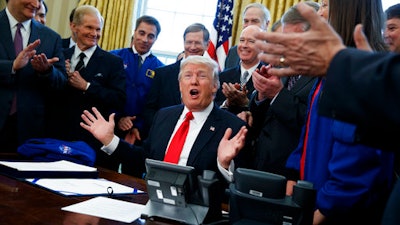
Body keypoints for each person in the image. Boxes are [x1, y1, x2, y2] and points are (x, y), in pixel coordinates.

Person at [260, 1, 393, 224]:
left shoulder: (366, 71)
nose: (319, 12)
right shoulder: (332, 69)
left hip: (340, 213)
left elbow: (362, 159)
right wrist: (293, 174)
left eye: (324, 4)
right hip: (311, 197)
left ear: (348, 11)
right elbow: (309, 130)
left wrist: (325, 210)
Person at [80, 55, 248, 222]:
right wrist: (110, 140)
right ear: (180, 85)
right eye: (188, 75)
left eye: (202, 75)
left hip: (199, 218)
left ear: (214, 86)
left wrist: (224, 165)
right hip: (153, 210)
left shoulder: (231, 126)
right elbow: (143, 159)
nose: (194, 81)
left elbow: (240, 187)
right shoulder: (164, 116)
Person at [240, 3, 318, 179]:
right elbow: (260, 119)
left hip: (293, 174)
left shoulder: (323, 72)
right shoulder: (280, 65)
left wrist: (277, 95)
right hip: (259, 163)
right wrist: (261, 94)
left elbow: (312, 122)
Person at [57, 5, 126, 171]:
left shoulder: (113, 62)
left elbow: (119, 99)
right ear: (74, 26)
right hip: (57, 136)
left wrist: (87, 86)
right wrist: (57, 75)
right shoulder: (59, 53)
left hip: (92, 143)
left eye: (98, 29)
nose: (94, 34)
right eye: (89, 27)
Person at [0, 0, 67, 152]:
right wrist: (12, 66)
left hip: (31, 132)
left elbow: (62, 82)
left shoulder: (51, 37)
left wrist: (46, 71)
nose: (36, 4)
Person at [143, 23, 209, 134]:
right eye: (189, 42)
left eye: (197, 43)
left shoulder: (212, 77)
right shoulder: (162, 74)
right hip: (163, 135)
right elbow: (149, 110)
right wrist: (162, 128)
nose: (192, 47)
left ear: (207, 45)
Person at [110, 15, 164, 146]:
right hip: (110, 126)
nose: (145, 39)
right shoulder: (113, 57)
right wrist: (119, 118)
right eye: (141, 33)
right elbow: (105, 92)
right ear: (134, 32)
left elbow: (155, 105)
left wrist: (137, 125)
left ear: (156, 39)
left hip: (140, 133)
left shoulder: (161, 69)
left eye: (151, 36)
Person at [215, 25, 263, 114]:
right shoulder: (223, 76)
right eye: (241, 40)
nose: (244, 45)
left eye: (251, 41)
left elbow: (269, 113)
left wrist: (246, 103)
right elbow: (213, 106)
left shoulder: (266, 78)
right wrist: (227, 102)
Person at [224, 3, 270, 70]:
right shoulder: (233, 52)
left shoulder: (275, 54)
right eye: (246, 21)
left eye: (254, 21)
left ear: (266, 24)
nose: (249, 25)